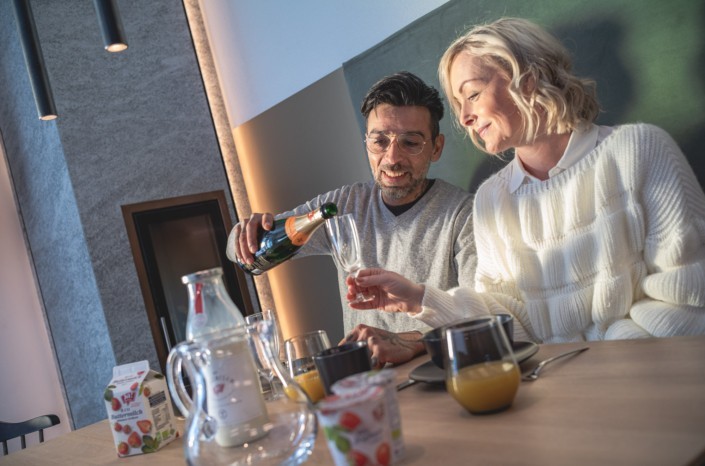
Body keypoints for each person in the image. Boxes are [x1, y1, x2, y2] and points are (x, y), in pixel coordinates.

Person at [348, 18, 705, 343]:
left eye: (472, 94)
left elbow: (688, 297)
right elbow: (509, 321)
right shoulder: (491, 198)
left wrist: (600, 363)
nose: (466, 118)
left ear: (528, 78)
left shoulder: (639, 150)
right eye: (459, 105)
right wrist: (418, 298)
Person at [227, 71, 476, 366]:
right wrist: (243, 234)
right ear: (366, 144)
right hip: (366, 383)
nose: (392, 157)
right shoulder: (344, 204)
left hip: (443, 376)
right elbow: (239, 251)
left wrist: (409, 342)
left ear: (436, 147)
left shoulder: (464, 213)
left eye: (410, 143)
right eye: (380, 141)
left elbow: (478, 315)